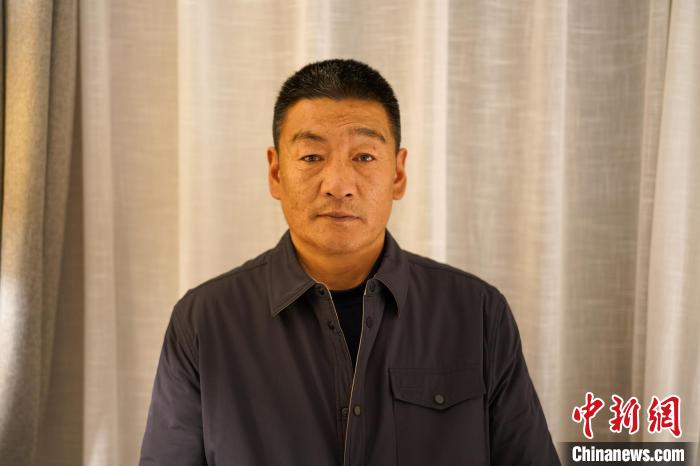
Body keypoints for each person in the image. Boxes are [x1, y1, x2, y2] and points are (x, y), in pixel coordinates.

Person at [139, 58, 560, 466]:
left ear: (398, 174)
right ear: (276, 173)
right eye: (311, 157)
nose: (338, 185)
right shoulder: (204, 322)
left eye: (364, 157)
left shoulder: (477, 313)